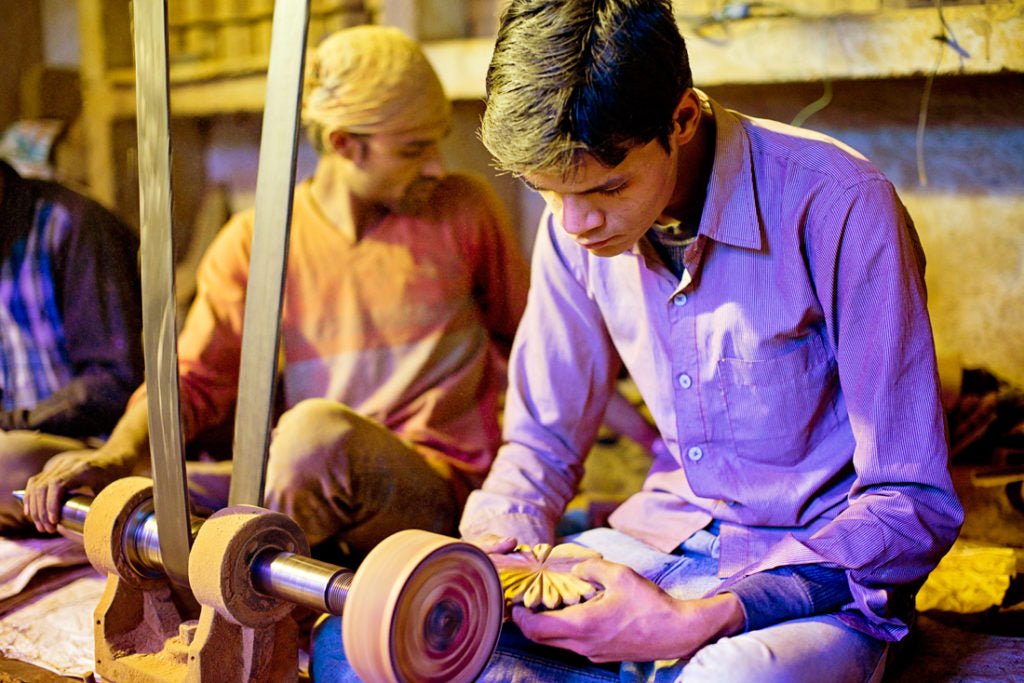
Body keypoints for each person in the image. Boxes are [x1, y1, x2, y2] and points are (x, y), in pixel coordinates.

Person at [454, 1, 963, 681]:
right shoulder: (572, 226)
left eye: (609, 186)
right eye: (547, 192)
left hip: (807, 578)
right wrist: (497, 551)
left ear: (683, 118)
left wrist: (696, 617)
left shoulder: (838, 204)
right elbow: (542, 441)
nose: (577, 223)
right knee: (393, 647)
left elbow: (910, 501)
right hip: (660, 541)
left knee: (727, 678)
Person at [22, 25, 530, 564]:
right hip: (309, 481)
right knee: (22, 466)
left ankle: (249, 584)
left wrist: (625, 438)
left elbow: (535, 347)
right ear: (343, 145)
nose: (436, 165)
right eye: (413, 149)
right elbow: (191, 383)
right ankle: (241, 553)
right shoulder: (255, 239)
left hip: (426, 492)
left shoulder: (464, 209)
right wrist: (117, 456)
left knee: (314, 435)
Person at [0, 156, 143, 532]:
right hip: (22, 459)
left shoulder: (74, 224)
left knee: (6, 460)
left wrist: (14, 424)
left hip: (94, 452)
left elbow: (113, 384)